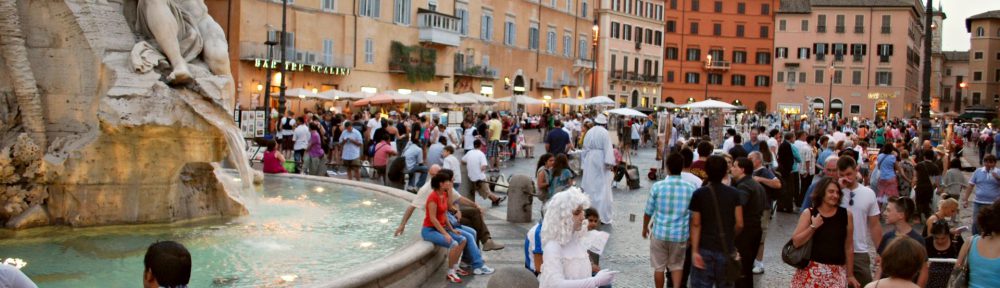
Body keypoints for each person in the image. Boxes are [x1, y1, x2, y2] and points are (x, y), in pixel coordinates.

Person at [538, 188, 618, 287]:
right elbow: (556, 284)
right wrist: (595, 281)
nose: (582, 217)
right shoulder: (553, 247)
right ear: (563, 217)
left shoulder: (577, 240)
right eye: (577, 213)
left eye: (582, 212)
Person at [643, 153, 697, 288]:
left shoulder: (658, 186)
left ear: (667, 167)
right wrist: (691, 235)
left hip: (660, 233)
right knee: (677, 266)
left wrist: (645, 228)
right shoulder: (690, 188)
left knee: (659, 267)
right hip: (680, 235)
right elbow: (692, 215)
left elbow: (648, 211)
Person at [790, 177, 856, 288]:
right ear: (821, 193)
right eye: (831, 191)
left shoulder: (846, 215)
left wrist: (850, 275)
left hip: (836, 273)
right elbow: (796, 242)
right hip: (810, 272)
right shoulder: (809, 213)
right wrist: (813, 227)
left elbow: (849, 247)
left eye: (837, 192)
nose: (835, 195)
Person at [688, 156, 744, 288]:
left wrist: (694, 251)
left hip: (704, 248)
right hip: (725, 248)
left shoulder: (699, 194)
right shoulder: (734, 194)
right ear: (725, 171)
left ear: (707, 172)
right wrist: (730, 236)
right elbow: (740, 223)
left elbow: (696, 224)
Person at [838, 156, 883, 287]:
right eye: (842, 175)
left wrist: (880, 250)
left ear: (856, 169)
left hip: (859, 250)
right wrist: (839, 188)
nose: (846, 178)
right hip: (835, 249)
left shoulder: (868, 193)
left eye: (849, 174)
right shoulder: (833, 191)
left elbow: (874, 224)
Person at [420, 172, 468, 283]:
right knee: (454, 243)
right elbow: (433, 219)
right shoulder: (433, 197)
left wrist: (451, 230)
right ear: (441, 184)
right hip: (429, 230)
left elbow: (444, 214)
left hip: (441, 228)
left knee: (463, 240)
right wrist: (446, 234)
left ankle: (455, 267)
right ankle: (450, 273)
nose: (450, 182)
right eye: (448, 181)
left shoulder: (444, 194)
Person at [876, 197, 928, 286]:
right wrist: (875, 283)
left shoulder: (918, 240)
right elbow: (881, 266)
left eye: (888, 210)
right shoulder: (887, 237)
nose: (884, 213)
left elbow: (924, 270)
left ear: (901, 215)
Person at [730, 157, 765, 288]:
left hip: (746, 233)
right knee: (746, 270)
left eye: (735, 166)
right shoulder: (755, 184)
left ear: (742, 170)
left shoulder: (744, 186)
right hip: (754, 230)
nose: (732, 169)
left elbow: (739, 207)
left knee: (742, 271)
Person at [580, 114, 616, 224]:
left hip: (590, 160)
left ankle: (589, 212)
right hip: (600, 160)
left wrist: (584, 163)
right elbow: (608, 148)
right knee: (602, 188)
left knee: (590, 186)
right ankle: (600, 214)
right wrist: (609, 163)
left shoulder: (589, 132)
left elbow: (584, 149)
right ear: (604, 123)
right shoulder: (605, 133)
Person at [749, 151, 781, 274]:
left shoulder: (764, 171)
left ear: (758, 160)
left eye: (750, 158)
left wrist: (760, 179)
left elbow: (777, 183)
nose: (748, 160)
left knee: (761, 235)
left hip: (763, 208)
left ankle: (759, 263)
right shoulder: (751, 171)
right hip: (753, 208)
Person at [963, 154, 1000, 235]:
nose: (989, 164)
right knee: (976, 221)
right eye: (986, 162)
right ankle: (976, 238)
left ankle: (990, 238)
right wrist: (965, 199)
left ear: (995, 163)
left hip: (993, 203)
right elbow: (970, 185)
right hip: (979, 202)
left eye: (991, 162)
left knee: (992, 222)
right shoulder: (978, 171)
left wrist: (997, 178)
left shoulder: (998, 172)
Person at [463, 140, 506, 206]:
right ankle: (496, 199)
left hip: (471, 177)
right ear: (480, 146)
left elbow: (463, 161)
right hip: (479, 177)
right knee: (486, 191)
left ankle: (496, 199)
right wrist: (480, 170)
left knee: (485, 190)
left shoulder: (469, 152)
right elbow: (483, 166)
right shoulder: (481, 154)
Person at [925, 220, 964, 288]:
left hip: (951, 279)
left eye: (943, 238)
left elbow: (963, 256)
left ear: (948, 234)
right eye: (936, 238)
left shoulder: (956, 240)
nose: (940, 241)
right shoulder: (927, 242)